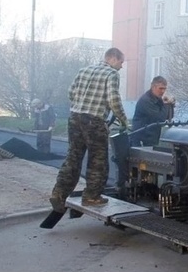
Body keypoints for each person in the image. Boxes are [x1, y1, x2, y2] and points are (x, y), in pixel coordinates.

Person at [49, 48, 130, 211]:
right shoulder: (111, 74)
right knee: (98, 160)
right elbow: (114, 100)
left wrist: (82, 105)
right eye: (121, 62)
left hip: (75, 118)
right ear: (113, 59)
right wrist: (124, 121)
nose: (121, 66)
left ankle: (58, 194)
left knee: (73, 156)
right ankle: (92, 196)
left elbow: (71, 93)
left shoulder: (84, 70)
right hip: (94, 121)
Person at [131, 76, 175, 147]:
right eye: (160, 88)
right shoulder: (146, 100)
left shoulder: (158, 99)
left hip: (151, 138)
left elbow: (169, 116)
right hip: (141, 140)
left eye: (164, 89)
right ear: (153, 87)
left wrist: (171, 106)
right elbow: (160, 119)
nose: (163, 91)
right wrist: (166, 104)